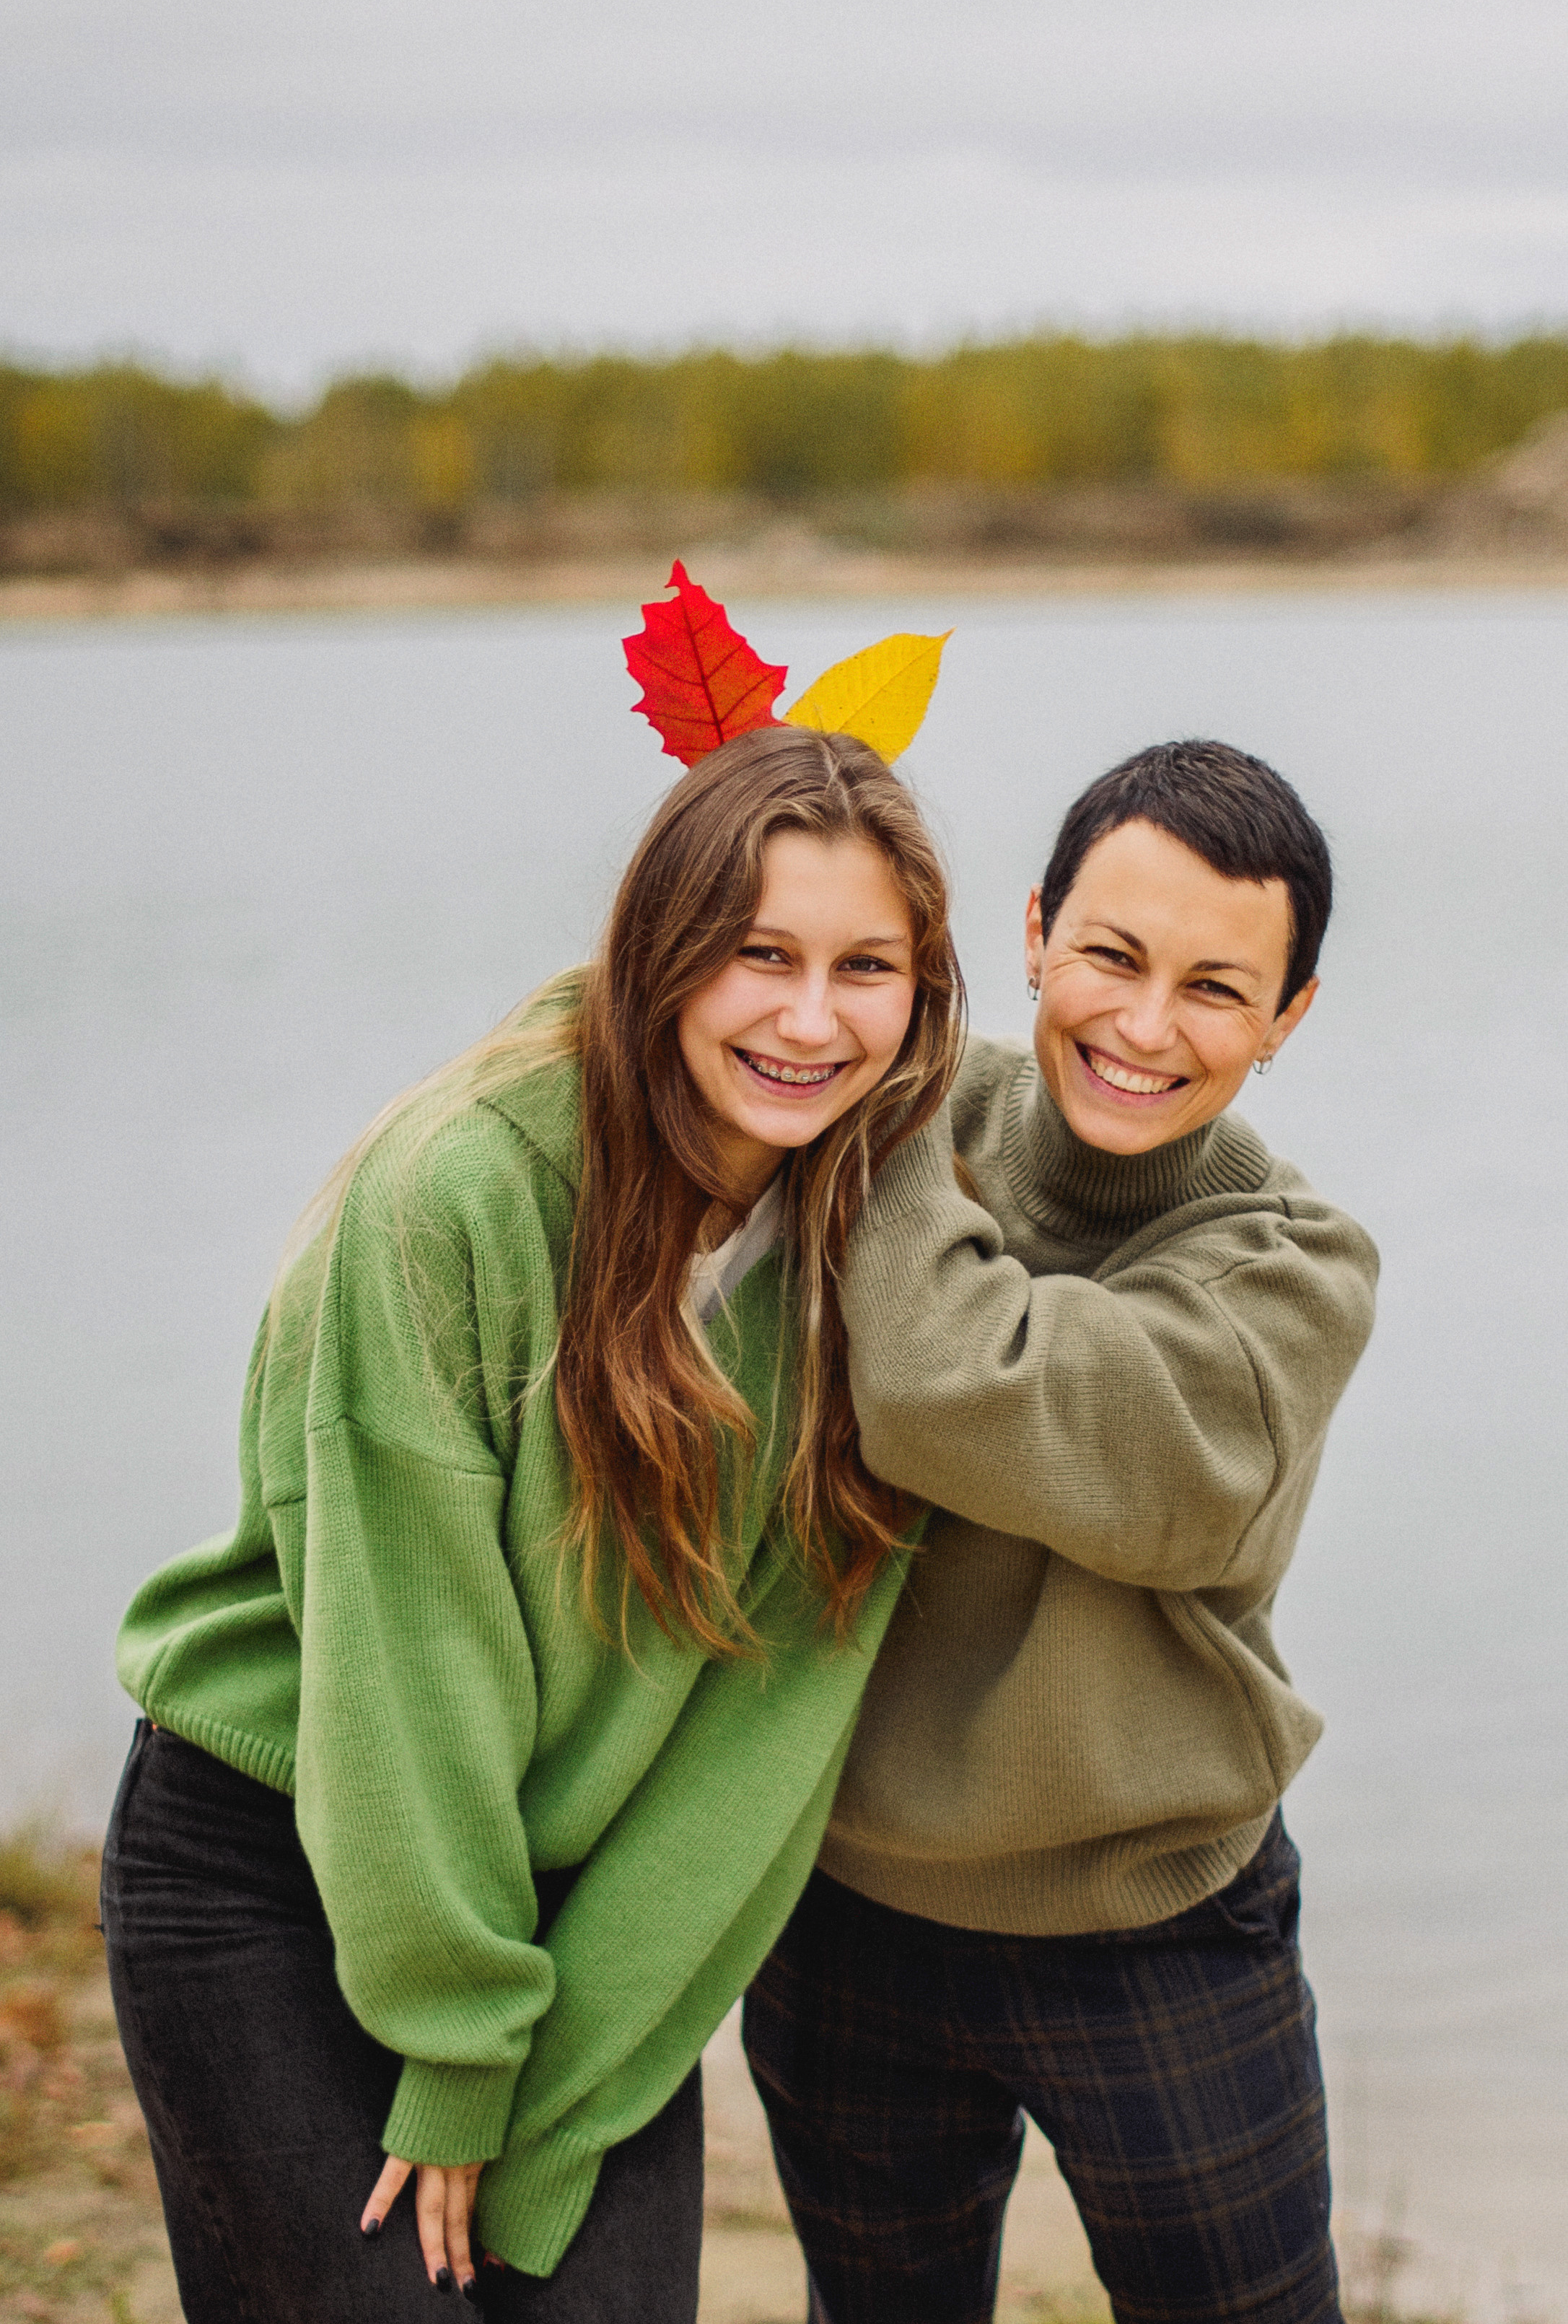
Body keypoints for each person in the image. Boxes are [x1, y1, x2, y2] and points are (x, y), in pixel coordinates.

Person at [101, 725, 963, 2324]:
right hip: (285, 1854)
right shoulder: (458, 1195)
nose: (808, 1018)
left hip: (572, 1899)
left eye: (868, 968)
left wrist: (558, 2069)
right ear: (660, 951)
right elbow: (411, 1667)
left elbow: (756, 1738)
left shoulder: (883, 1254)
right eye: (759, 954)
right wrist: (454, 2050)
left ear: (924, 998)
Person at [745, 739, 1380, 2324]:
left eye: (1218, 989)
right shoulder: (892, 1092)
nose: (1144, 1027)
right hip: (839, 1905)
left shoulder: (1292, 1272)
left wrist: (877, 1099)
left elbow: (953, 1388)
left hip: (1149, 1918)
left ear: (1287, 1019)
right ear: (1032, 933)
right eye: (1108, 955)